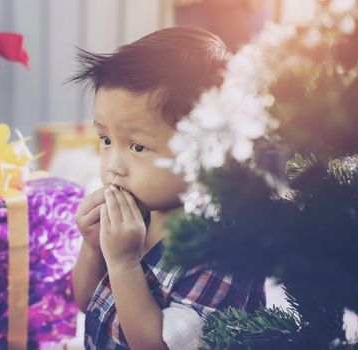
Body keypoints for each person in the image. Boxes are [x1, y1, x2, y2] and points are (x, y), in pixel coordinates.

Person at [70, 26, 265, 350]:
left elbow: (156, 345)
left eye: (137, 147)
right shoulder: (139, 212)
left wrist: (124, 264)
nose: (113, 166)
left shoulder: (221, 252)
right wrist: (92, 249)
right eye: (105, 140)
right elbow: (87, 303)